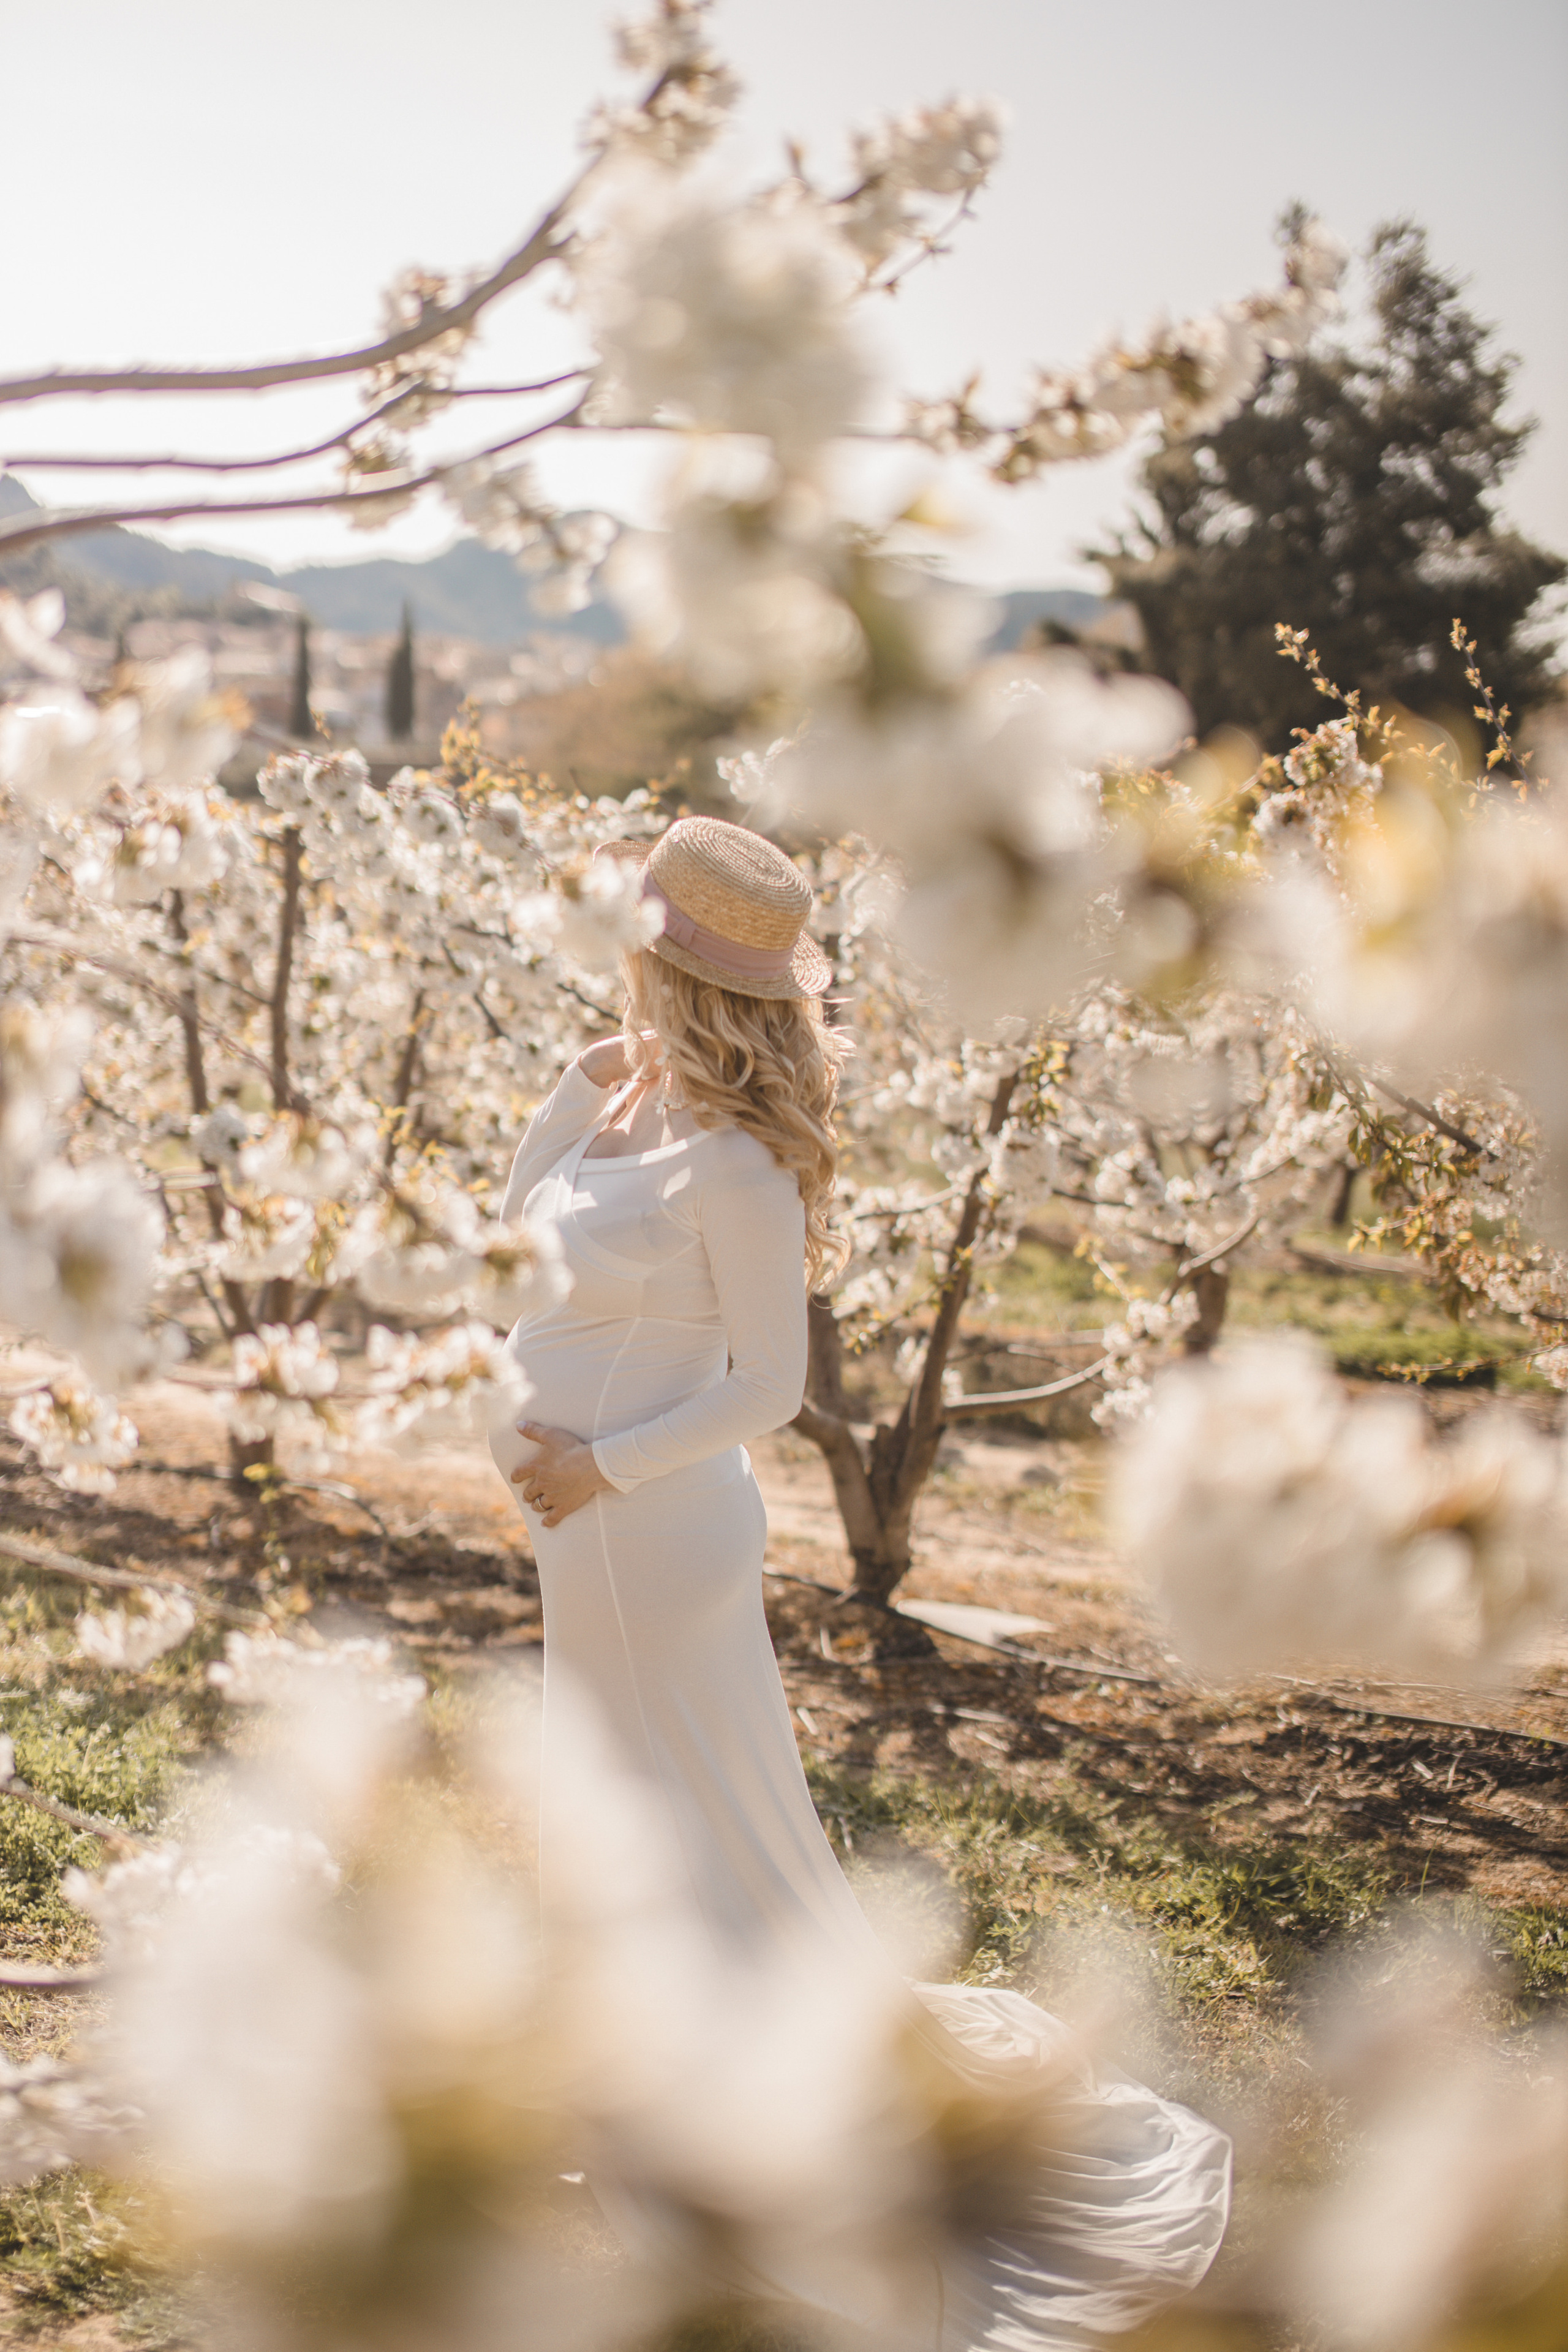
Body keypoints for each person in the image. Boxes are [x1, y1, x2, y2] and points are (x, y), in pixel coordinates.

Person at [490, 814, 1230, 2345]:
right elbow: (512, 1234)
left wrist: (597, 1466)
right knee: (633, 1798)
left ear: (667, 961)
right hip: (589, 1529)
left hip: (649, 1526)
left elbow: (766, 1386)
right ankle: (645, 2068)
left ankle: (709, 2101)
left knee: (666, 1806)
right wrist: (568, 1091)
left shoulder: (741, 1164)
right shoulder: (622, 1099)